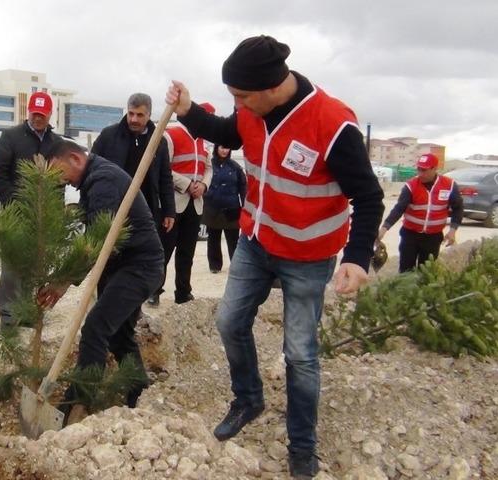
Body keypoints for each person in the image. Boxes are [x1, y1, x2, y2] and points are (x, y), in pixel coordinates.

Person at [166, 35, 384, 478]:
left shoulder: (332, 124)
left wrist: (357, 257)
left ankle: (302, 445)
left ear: (270, 86)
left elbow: (369, 196)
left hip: (307, 255)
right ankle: (249, 399)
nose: (237, 104)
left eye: (241, 96)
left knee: (300, 354)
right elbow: (226, 131)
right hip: (256, 242)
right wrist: (189, 110)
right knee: (229, 321)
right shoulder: (251, 112)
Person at [38, 141, 164, 411]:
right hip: (122, 265)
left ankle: (78, 400)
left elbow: (97, 240)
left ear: (74, 158)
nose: (62, 182)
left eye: (59, 173)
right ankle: (138, 390)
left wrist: (63, 282)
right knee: (118, 335)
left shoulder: (103, 180)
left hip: (139, 266)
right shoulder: (94, 178)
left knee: (96, 327)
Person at [91, 93, 175, 305]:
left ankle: (132, 310)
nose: (134, 119)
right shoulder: (109, 136)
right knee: (108, 264)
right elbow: (90, 170)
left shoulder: (159, 142)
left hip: (144, 214)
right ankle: (104, 306)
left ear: (149, 115)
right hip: (111, 213)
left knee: (137, 264)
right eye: (131, 113)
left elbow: (165, 177)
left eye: (140, 114)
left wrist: (168, 210)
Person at [0, 92, 62, 327]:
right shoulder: (11, 137)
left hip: (42, 215)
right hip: (16, 212)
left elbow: (59, 180)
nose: (37, 118)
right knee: (12, 267)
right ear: (28, 112)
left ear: (50, 115)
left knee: (35, 265)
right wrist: (13, 203)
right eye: (34, 114)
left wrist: (55, 210)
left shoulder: (56, 143)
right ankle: (9, 316)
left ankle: (29, 312)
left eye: (42, 115)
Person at [160, 108, 214, 304]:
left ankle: (183, 292)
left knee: (187, 253)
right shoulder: (171, 134)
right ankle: (155, 290)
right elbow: (164, 168)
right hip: (174, 202)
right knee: (165, 250)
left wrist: (204, 184)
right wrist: (187, 184)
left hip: (195, 203)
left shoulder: (203, 141)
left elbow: (209, 168)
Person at [376, 153, 462, 272]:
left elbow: (458, 208)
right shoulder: (411, 186)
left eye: (424, 170)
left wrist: (452, 231)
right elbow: (399, 208)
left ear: (434, 169)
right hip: (410, 235)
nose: (420, 173)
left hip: (433, 237)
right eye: (419, 169)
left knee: (426, 272)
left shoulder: (449, 185)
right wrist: (384, 229)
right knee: (406, 271)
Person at [203, 144, 246, 273]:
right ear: (216, 148)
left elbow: (243, 186)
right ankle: (215, 265)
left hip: (231, 208)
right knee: (213, 239)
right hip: (212, 207)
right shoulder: (209, 165)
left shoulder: (235, 166)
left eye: (227, 148)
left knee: (233, 240)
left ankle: (236, 264)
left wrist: (245, 205)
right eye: (222, 147)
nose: (225, 150)